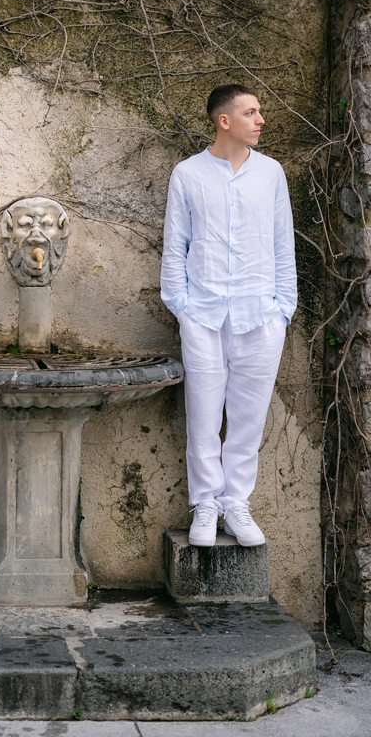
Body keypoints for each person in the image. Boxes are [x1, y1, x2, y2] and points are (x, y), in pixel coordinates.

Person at [160, 85, 297, 548]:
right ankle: (205, 504)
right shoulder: (188, 174)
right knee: (202, 415)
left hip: (261, 315)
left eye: (259, 112)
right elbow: (175, 245)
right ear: (224, 120)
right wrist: (181, 307)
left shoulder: (271, 173)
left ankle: (236, 503)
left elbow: (283, 244)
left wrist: (283, 309)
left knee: (248, 418)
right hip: (203, 315)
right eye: (251, 112)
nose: (261, 120)